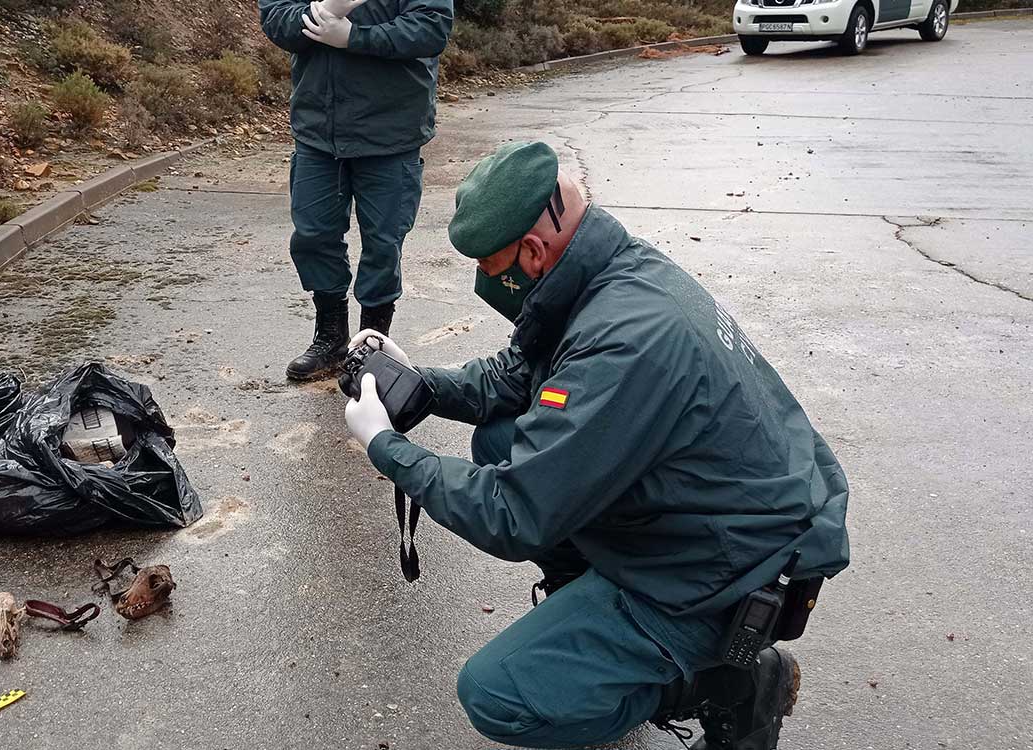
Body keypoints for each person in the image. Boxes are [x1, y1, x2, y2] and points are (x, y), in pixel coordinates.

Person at [341, 141, 852, 749]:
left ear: (532, 251)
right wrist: (420, 385)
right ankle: (595, 617)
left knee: (496, 695)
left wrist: (386, 447)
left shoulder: (624, 339)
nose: (484, 279)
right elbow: (512, 376)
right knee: (502, 436)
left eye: (488, 264)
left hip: (728, 570)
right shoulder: (605, 271)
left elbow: (512, 513)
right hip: (723, 514)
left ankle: (728, 682)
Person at [257, 0, 454, 381]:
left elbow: (431, 27)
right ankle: (331, 338)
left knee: (384, 241)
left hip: (391, 130)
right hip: (319, 128)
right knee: (314, 235)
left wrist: (354, 37)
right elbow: (276, 17)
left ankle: (373, 346)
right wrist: (319, 14)